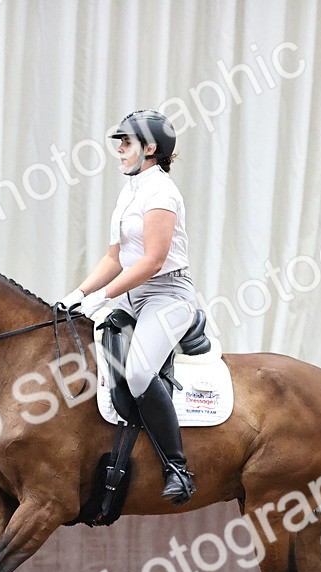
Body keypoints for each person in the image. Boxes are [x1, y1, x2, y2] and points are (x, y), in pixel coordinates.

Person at [59, 109, 198, 505]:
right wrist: (77, 294)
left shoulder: (162, 194)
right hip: (131, 294)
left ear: (149, 149)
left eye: (126, 143)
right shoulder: (130, 191)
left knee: (137, 372)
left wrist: (102, 297)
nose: (119, 149)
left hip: (167, 295)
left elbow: (152, 261)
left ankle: (177, 468)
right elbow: (115, 258)